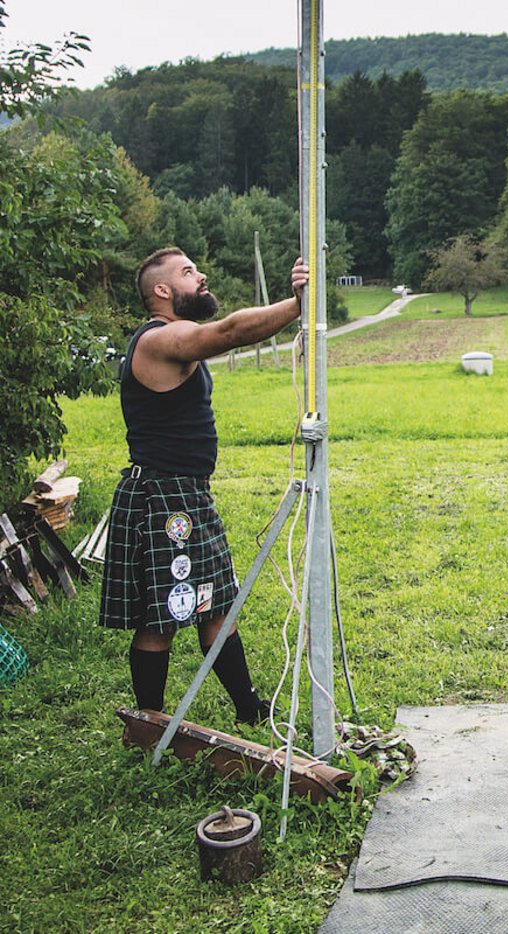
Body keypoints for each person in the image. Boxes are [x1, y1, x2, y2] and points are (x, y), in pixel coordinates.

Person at [99, 247, 309, 724]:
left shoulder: (176, 337)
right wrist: (297, 304)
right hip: (162, 496)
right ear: (162, 290)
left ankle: (248, 710)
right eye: (189, 273)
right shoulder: (160, 339)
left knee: (216, 603)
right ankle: (149, 723)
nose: (202, 277)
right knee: (163, 618)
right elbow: (230, 332)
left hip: (186, 493)